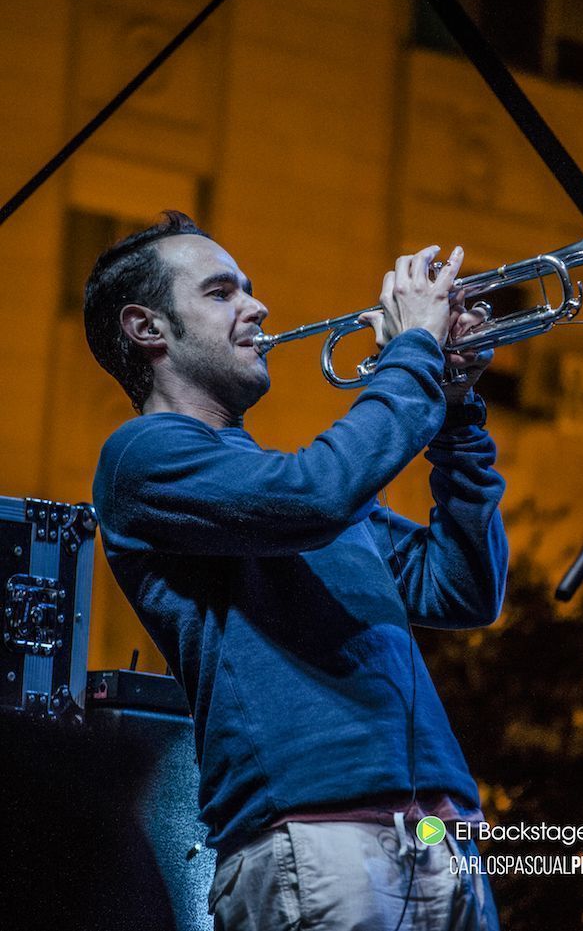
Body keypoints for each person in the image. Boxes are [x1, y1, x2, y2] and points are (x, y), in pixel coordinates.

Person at [84, 211, 509, 931]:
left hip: (443, 833)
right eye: (222, 292)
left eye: (248, 288)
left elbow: (461, 587)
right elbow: (319, 493)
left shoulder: (298, 488)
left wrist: (459, 412)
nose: (257, 307)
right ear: (147, 328)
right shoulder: (141, 457)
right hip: (313, 836)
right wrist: (413, 349)